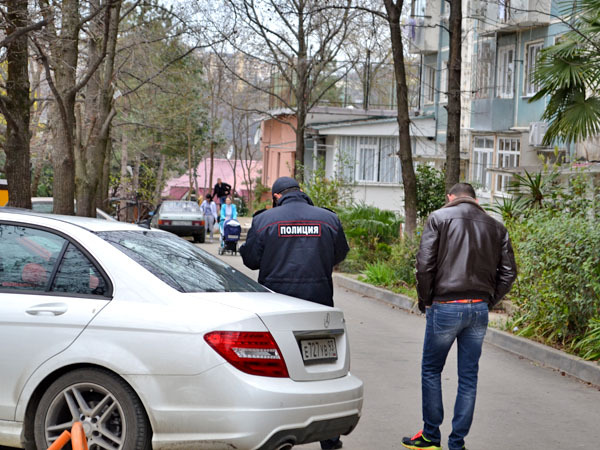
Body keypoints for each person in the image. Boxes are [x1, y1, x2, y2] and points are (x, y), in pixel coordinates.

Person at [401, 183, 517, 450]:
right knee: (468, 377)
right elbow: (509, 273)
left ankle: (431, 436)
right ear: (475, 199)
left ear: (450, 197)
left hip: (446, 305)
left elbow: (424, 265)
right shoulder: (496, 227)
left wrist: (426, 300)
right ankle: (457, 443)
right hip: (478, 308)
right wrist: (488, 301)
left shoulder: (439, 218)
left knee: (432, 370)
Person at [239, 176, 349, 450]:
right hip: (319, 307)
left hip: (277, 309)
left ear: (276, 196)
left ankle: (276, 434)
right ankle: (330, 438)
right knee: (323, 371)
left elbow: (251, 260)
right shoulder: (328, 219)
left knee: (276, 372)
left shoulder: (264, 220)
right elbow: (339, 255)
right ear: (301, 191)